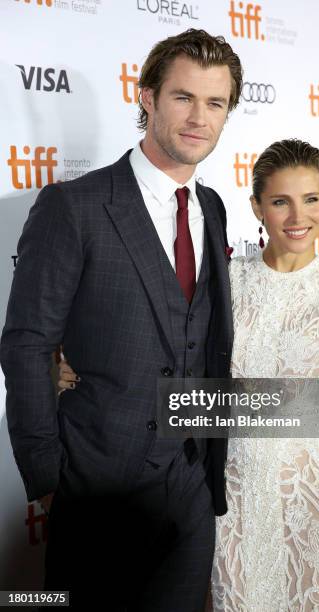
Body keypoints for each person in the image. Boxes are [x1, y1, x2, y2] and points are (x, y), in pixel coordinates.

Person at [0, 29, 243, 611]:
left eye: (216, 103)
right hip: (97, 486)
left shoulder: (211, 207)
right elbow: (28, 342)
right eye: (184, 97)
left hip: (191, 489)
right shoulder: (74, 205)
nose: (199, 118)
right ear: (148, 97)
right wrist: (51, 480)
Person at [210, 139, 319, 610]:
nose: (297, 217)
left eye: (311, 199)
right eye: (280, 201)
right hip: (234, 487)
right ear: (257, 208)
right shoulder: (223, 282)